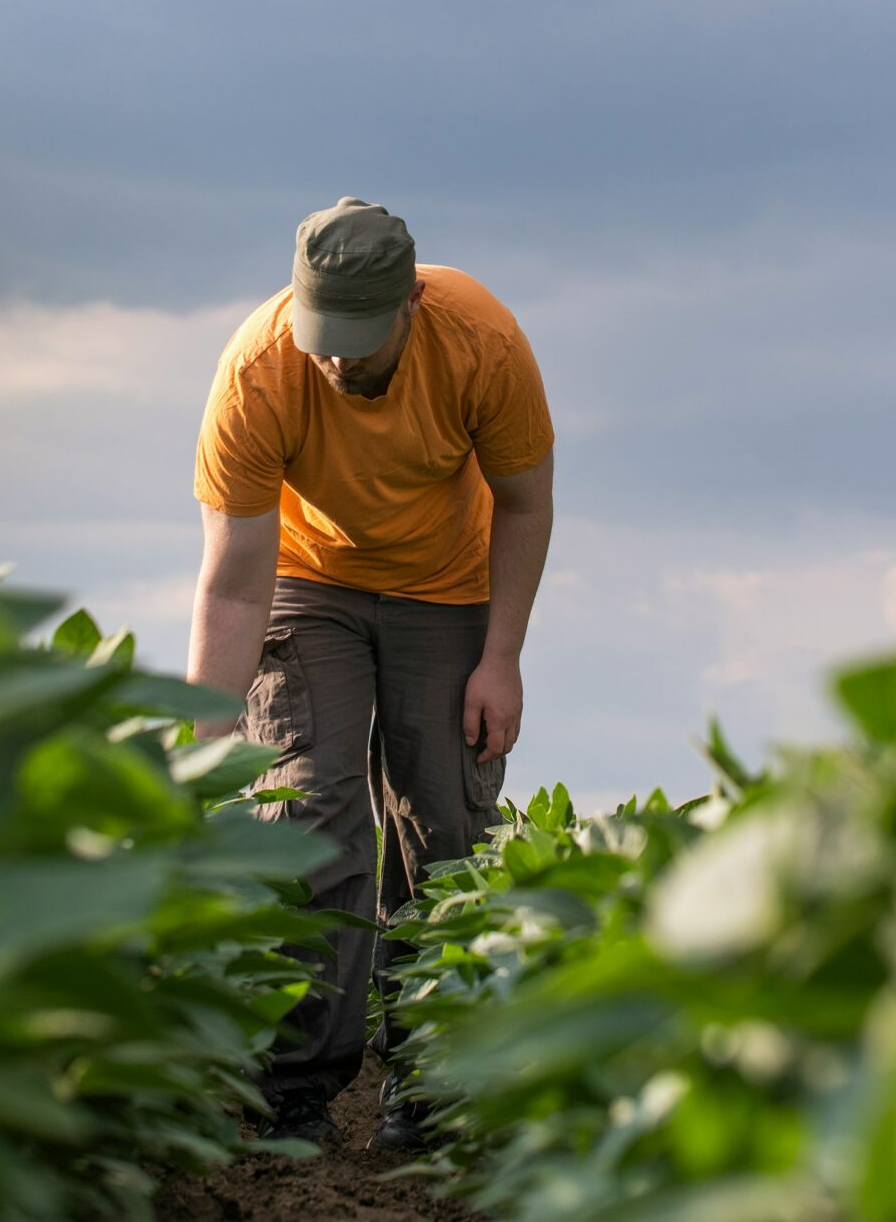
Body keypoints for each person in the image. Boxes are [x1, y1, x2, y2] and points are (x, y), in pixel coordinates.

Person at [186, 197, 556, 1150]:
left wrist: (502, 658)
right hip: (309, 582)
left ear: (408, 307)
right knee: (310, 813)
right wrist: (206, 741)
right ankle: (297, 1089)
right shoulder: (259, 369)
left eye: (359, 337)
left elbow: (524, 504)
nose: (339, 359)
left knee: (442, 819)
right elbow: (232, 584)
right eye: (324, 337)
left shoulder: (481, 337)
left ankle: (429, 1085)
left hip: (448, 584)